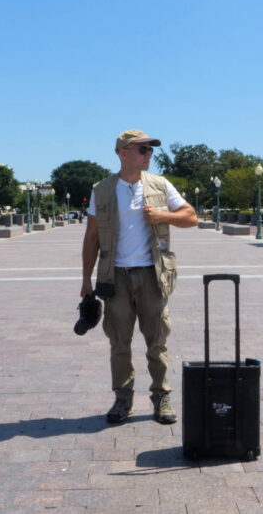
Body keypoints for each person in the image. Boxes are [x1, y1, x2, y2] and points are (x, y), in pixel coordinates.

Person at [81, 129, 198, 424]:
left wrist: (163, 217)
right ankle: (122, 400)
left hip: (151, 275)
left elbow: (191, 217)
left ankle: (161, 398)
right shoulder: (103, 189)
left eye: (150, 150)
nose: (149, 155)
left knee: (157, 342)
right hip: (115, 277)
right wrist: (85, 280)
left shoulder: (160, 185)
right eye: (142, 150)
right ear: (123, 152)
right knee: (119, 342)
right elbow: (92, 236)